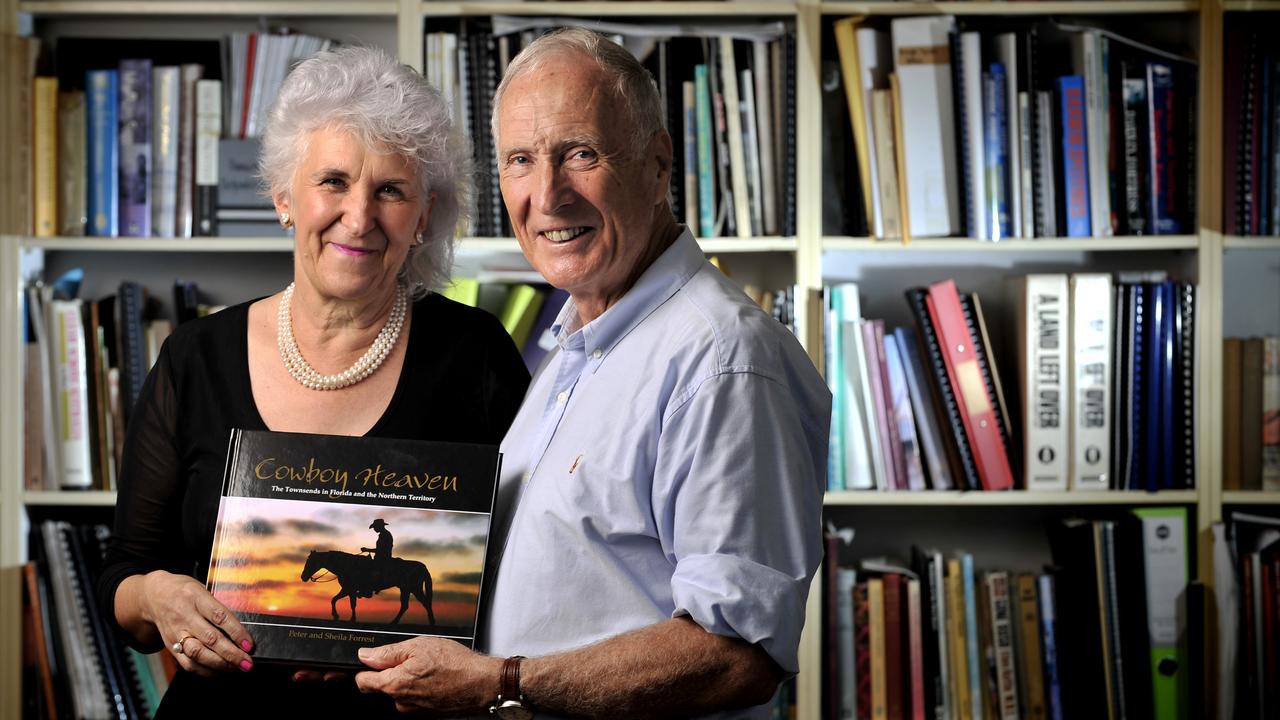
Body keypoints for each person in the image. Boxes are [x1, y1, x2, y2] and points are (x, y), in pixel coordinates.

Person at [353, 28, 830, 719]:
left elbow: (737, 653)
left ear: (658, 163)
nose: (547, 195)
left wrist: (501, 682)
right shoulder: (581, 342)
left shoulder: (722, 359)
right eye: (520, 159)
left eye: (581, 154)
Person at [96, 45, 530, 716]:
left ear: (423, 217)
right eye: (333, 180)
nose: (359, 217)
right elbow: (123, 578)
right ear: (283, 198)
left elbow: (532, 570)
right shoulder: (195, 357)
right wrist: (156, 597)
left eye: (390, 190)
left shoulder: (476, 356)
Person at [359, 518, 395, 597]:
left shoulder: (385, 535)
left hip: (383, 558)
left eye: (375, 527)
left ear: (379, 526)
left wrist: (367, 549)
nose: (374, 529)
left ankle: (369, 590)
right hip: (381, 557)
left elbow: (381, 550)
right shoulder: (384, 534)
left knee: (369, 570)